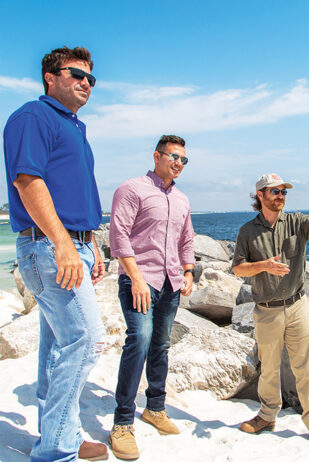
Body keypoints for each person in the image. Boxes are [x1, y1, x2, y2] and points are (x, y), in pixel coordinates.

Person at [3, 47, 108, 461]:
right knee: (86, 341)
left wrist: (91, 246)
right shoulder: (33, 116)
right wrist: (65, 244)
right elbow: (28, 182)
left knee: (57, 347)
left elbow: (76, 196)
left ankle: (62, 430)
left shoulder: (76, 128)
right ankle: (55, 450)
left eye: (91, 79)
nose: (86, 83)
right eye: (77, 74)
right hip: (49, 246)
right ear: (50, 76)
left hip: (74, 244)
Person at [232, 173, 309, 450]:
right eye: (274, 192)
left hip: (299, 306)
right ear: (260, 196)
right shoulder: (247, 231)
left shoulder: (296, 221)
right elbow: (238, 268)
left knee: (305, 369)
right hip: (267, 311)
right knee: (269, 370)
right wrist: (263, 265)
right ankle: (267, 416)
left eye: (283, 192)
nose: (280, 196)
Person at [108, 135, 195, 459]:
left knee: (161, 345)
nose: (178, 163)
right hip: (139, 282)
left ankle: (155, 408)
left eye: (184, 159)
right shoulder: (132, 189)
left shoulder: (183, 199)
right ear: (157, 156)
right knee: (139, 341)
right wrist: (136, 278)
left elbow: (186, 239)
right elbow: (118, 236)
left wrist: (188, 273)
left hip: (172, 283)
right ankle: (122, 423)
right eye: (173, 156)